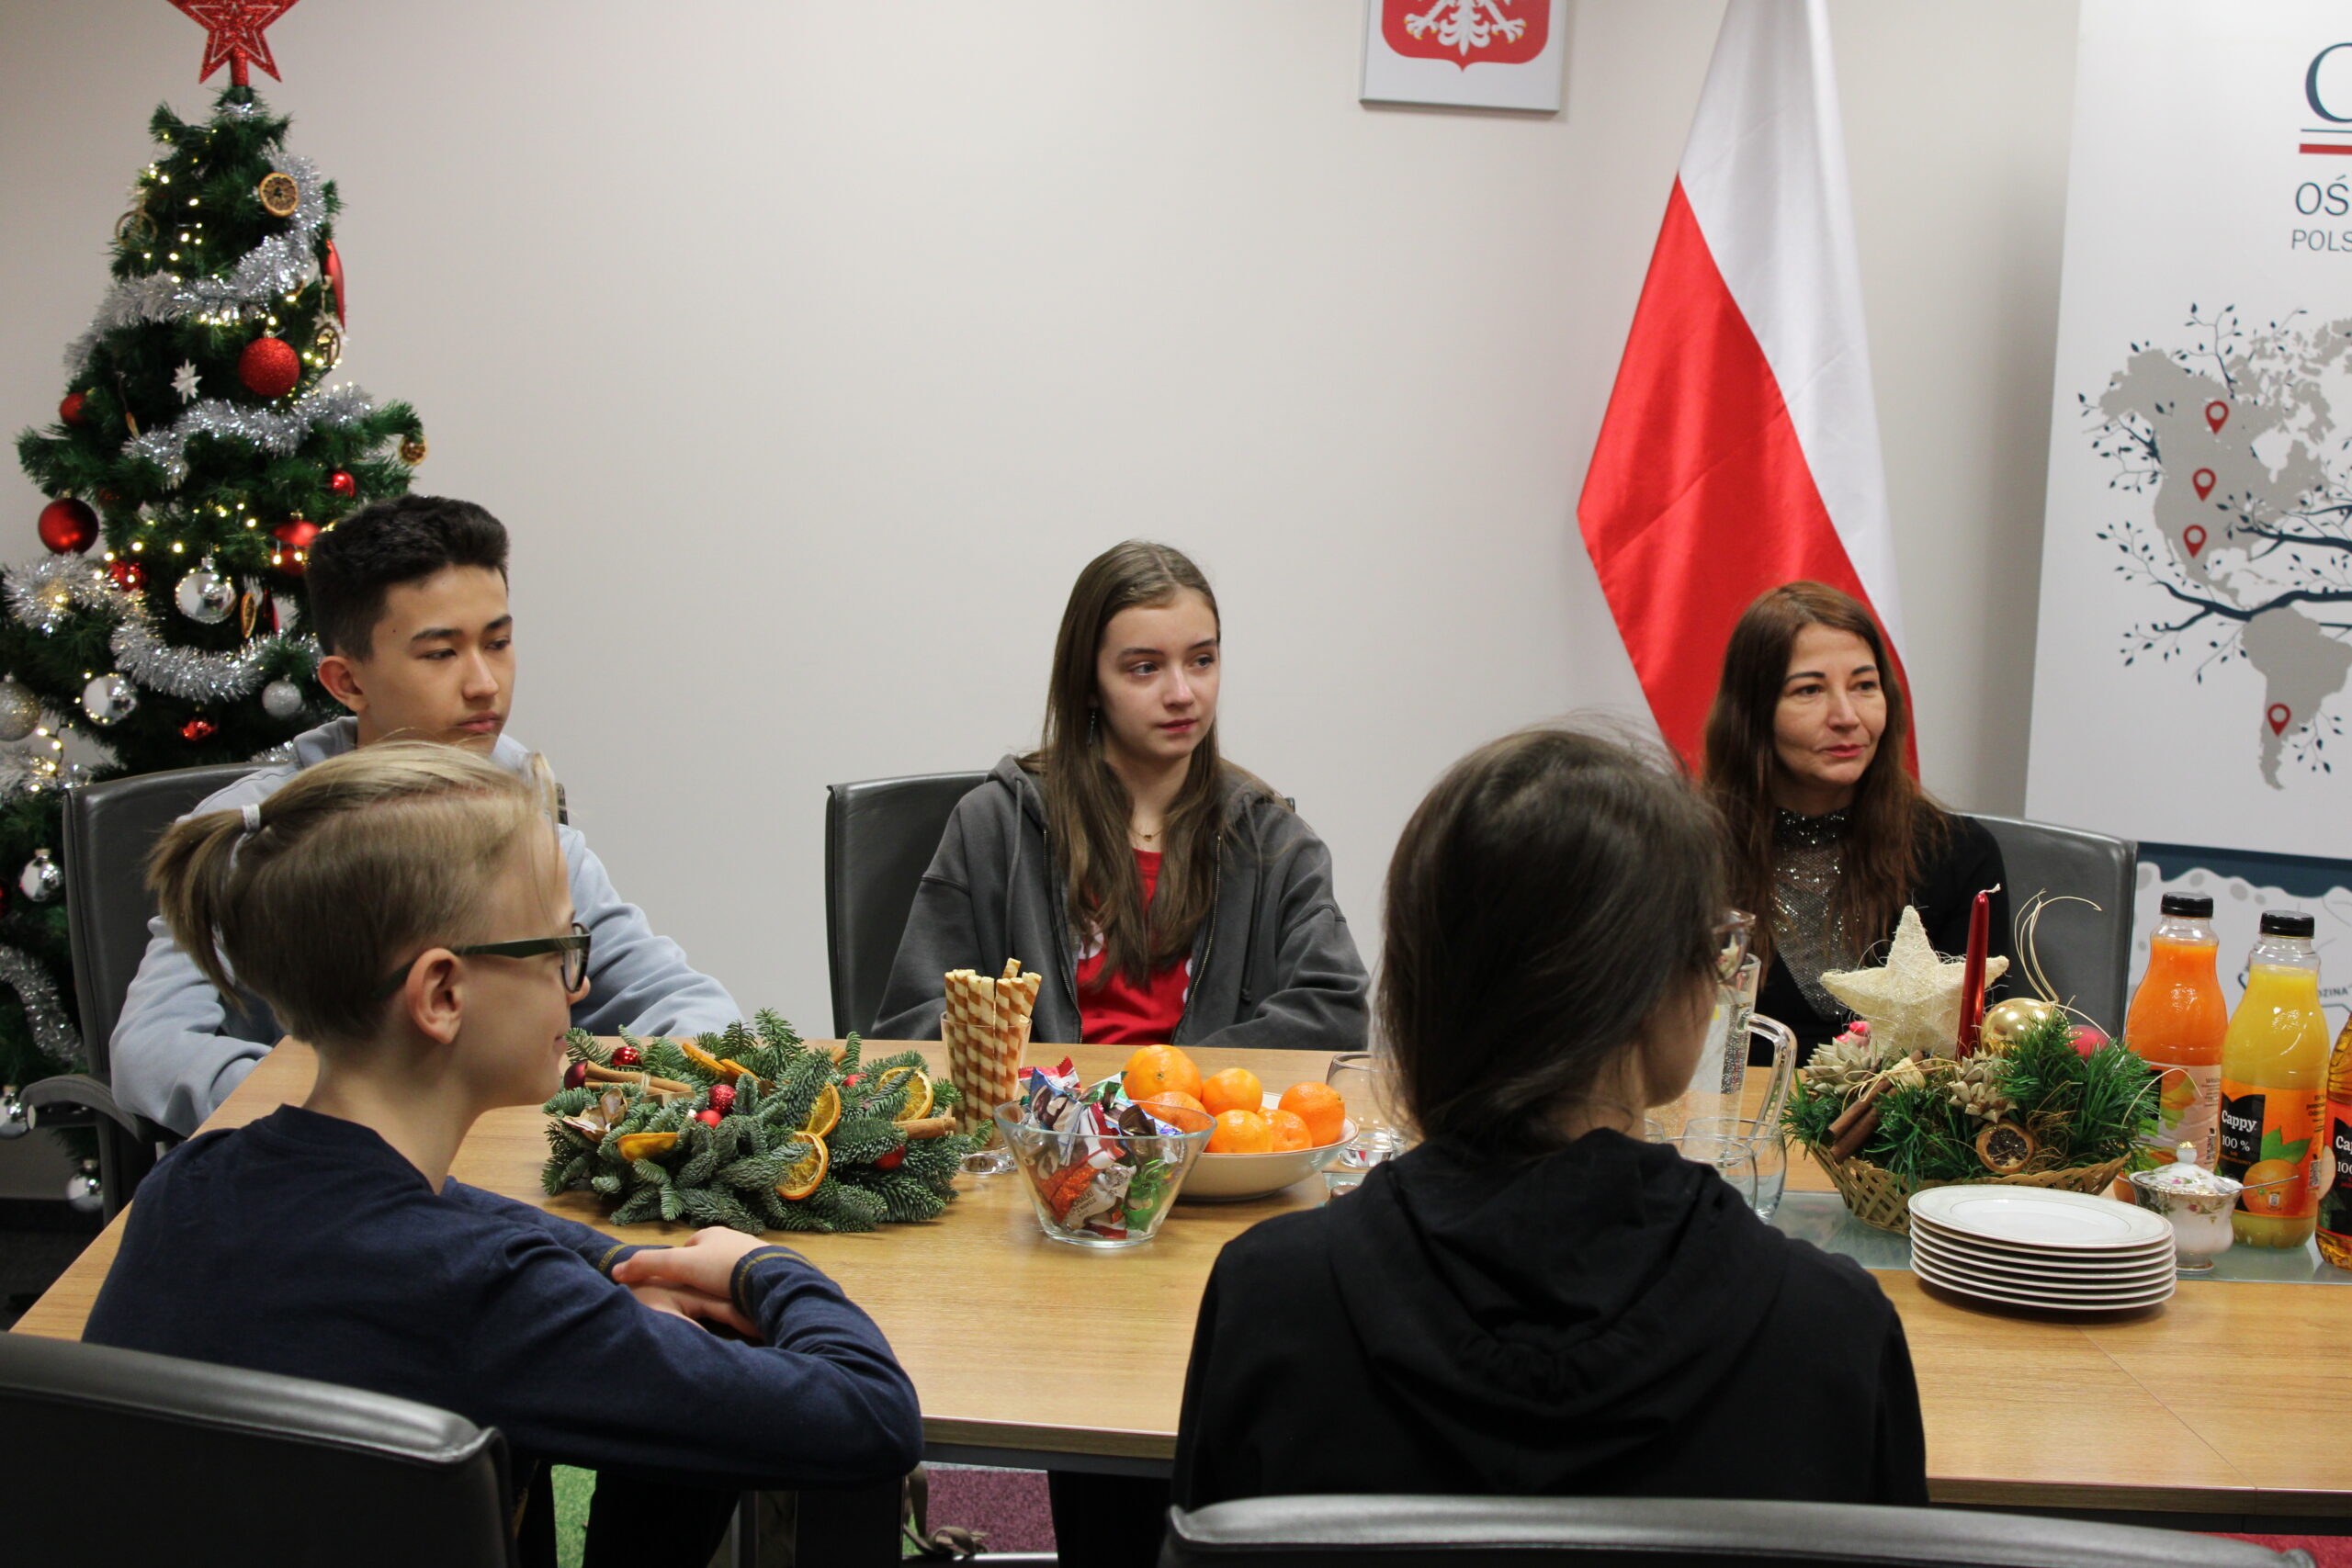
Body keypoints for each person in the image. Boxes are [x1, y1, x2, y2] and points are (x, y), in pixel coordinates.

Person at [84, 743, 922, 1566]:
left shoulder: (189, 1182)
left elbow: (447, 1212)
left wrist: (618, 1264)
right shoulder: (479, 1292)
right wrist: (760, 1267)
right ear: (442, 993)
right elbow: (873, 1415)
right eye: (556, 950)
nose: (577, 985)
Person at [1173, 726, 1928, 1512]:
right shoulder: (1834, 1334)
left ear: (1421, 992)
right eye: (1715, 944)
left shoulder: (1268, 1301)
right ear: (1661, 990)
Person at [112, 495, 741, 1135]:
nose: (484, 683)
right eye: (441, 653)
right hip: (321, 1178)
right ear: (347, 681)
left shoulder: (528, 822)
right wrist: (359, 1115)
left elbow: (687, 1006)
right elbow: (152, 1049)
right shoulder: (267, 833)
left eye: (498, 643)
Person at [872, 539, 1366, 1054]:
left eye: (1202, 660)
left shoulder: (1274, 841)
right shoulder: (994, 825)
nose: (1182, 694)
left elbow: (1335, 1012)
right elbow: (916, 1024)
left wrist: (1176, 1082)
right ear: (1088, 683)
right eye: (1145, 668)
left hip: (1204, 1107)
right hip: (1036, 1107)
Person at [1702, 581, 2008, 1058]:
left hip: (1904, 1107)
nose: (1847, 716)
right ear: (1752, 712)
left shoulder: (1958, 853)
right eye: (1809, 690)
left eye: (1865, 686)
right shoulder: (1687, 854)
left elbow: (1982, 1052)